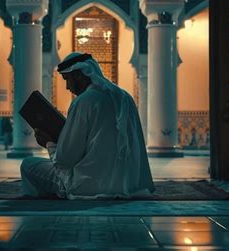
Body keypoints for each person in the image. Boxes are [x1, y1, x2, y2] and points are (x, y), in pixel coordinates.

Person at [20, 52, 155, 199]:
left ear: (79, 75)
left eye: (67, 79)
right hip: (129, 184)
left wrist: (49, 143)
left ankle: (50, 199)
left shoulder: (84, 101)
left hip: (88, 185)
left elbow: (66, 159)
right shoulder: (125, 97)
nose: (67, 87)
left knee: (28, 164)